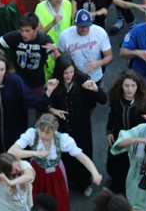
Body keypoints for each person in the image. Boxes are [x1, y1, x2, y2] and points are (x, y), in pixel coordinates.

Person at [8, 114, 102, 211]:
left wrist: (95, 172)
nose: (44, 135)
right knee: (36, 203)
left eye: (48, 132)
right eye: (41, 130)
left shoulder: (62, 139)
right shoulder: (32, 134)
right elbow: (12, 151)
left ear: (54, 130)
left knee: (60, 203)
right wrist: (36, 153)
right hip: (36, 173)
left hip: (55, 175)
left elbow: (82, 156)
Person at [39, 54, 107, 196]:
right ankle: (68, 180)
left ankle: (85, 183)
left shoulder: (82, 79)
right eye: (65, 73)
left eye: (71, 72)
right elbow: (41, 106)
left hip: (81, 126)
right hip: (63, 127)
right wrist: (51, 104)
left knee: (82, 153)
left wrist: (95, 89)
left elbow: (103, 100)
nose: (69, 76)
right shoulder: (54, 83)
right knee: (64, 155)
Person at [0, 13, 59, 93]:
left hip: (37, 86)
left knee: (37, 105)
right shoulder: (15, 36)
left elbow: (60, 61)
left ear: (35, 29)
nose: (24, 34)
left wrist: (55, 50)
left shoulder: (44, 39)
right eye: (21, 30)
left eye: (27, 31)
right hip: (17, 84)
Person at [105, 70, 146, 195]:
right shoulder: (117, 98)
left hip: (137, 141)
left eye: (133, 86)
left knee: (130, 166)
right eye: (126, 86)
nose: (130, 89)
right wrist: (109, 131)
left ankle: (124, 188)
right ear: (121, 86)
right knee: (114, 163)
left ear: (138, 86)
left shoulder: (145, 103)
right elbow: (112, 115)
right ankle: (115, 183)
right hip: (119, 138)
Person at [57, 10, 113, 85]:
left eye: (87, 26)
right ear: (75, 24)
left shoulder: (100, 32)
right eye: (81, 26)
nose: (84, 29)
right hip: (74, 78)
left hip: (95, 77)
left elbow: (109, 56)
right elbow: (60, 58)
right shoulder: (65, 36)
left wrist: (99, 63)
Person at [34, 0, 73, 79]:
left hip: (65, 49)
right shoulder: (40, 8)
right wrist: (53, 23)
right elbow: (37, 33)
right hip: (49, 49)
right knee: (50, 77)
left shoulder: (67, 3)